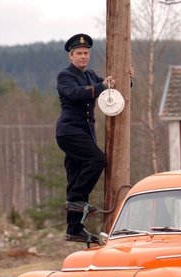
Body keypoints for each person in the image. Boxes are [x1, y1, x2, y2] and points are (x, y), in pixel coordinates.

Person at [56, 33, 131, 243]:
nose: (83, 56)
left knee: (76, 174)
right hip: (69, 132)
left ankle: (74, 229)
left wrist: (127, 79)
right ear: (71, 56)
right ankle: (76, 201)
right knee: (97, 160)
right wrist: (102, 86)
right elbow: (76, 94)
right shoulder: (65, 76)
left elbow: (111, 90)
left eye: (86, 53)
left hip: (84, 133)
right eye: (79, 53)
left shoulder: (90, 75)